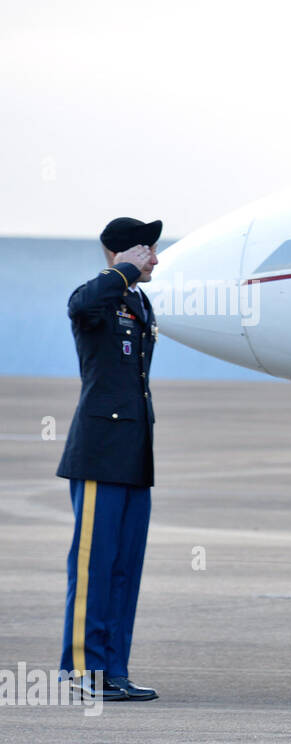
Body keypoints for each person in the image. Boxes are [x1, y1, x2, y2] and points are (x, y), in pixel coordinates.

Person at [56, 216, 164, 701]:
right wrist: (121, 270)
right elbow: (81, 305)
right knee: (93, 565)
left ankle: (112, 670)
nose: (155, 259)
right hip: (100, 453)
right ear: (123, 253)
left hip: (134, 453)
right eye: (148, 250)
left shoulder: (138, 302)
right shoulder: (99, 297)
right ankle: (81, 672)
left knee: (124, 566)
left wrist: (127, 279)